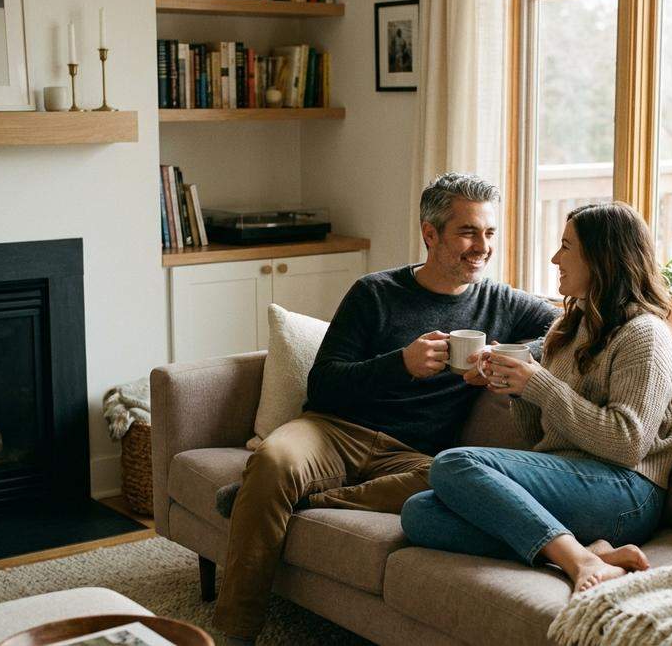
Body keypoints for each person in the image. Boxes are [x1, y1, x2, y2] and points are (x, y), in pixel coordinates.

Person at [214, 172, 559, 642]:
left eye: (490, 232)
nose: (483, 246)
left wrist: (507, 356)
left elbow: (563, 330)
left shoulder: (503, 303)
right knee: (275, 460)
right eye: (468, 232)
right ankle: (234, 632)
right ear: (430, 234)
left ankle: (284, 497)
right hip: (333, 430)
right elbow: (324, 383)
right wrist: (401, 364)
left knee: (460, 485)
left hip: (413, 454)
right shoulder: (374, 292)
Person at [400, 202, 672, 593]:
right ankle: (582, 551)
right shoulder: (569, 328)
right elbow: (539, 438)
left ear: (601, 257)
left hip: (628, 493)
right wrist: (513, 387)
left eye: (566, 247)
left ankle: (580, 561)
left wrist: (538, 384)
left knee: (454, 462)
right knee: (421, 514)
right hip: (571, 480)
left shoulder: (644, 334)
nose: (555, 259)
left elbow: (627, 444)